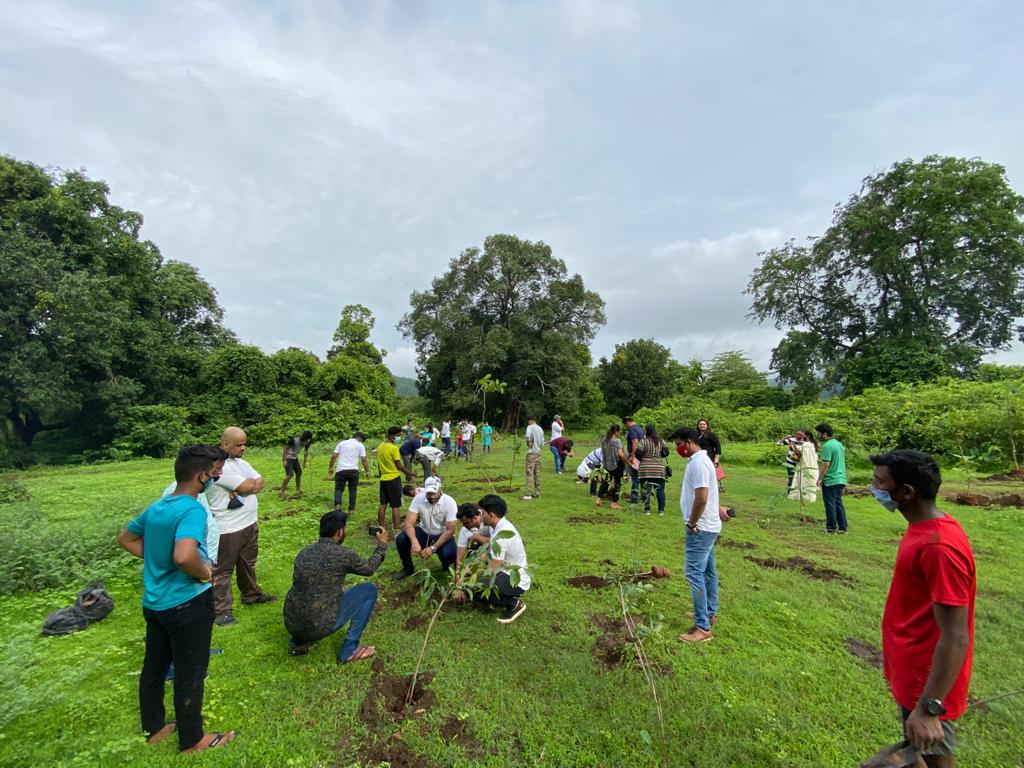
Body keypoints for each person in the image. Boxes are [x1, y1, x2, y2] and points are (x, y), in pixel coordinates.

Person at [117, 445, 235, 753]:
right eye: (215, 473)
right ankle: (192, 739)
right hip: (187, 604)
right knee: (190, 671)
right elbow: (184, 555)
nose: (217, 476)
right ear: (201, 476)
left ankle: (154, 727)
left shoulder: (159, 506)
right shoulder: (192, 509)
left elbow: (126, 538)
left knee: (154, 667)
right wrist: (204, 573)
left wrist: (159, 560)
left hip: (155, 604)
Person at [867, 450, 975, 768]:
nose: (873, 486)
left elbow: (956, 636)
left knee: (935, 754)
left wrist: (930, 708)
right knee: (918, 750)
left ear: (907, 492)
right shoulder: (921, 529)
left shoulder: (939, 548)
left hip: (928, 682)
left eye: (879, 481)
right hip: (913, 670)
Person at [283, 511, 389, 663]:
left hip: (292, 623)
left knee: (307, 591)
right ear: (339, 533)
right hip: (317, 625)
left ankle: (298, 643)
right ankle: (349, 650)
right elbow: (369, 569)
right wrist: (382, 545)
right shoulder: (342, 554)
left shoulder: (304, 552)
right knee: (368, 590)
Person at [205, 427, 277, 627]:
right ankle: (221, 611)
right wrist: (248, 487)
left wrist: (247, 487)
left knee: (248, 562)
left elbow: (259, 481)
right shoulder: (219, 466)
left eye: (244, 444)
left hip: (248, 522)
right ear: (225, 444)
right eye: (239, 445)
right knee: (223, 569)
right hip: (228, 527)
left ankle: (251, 594)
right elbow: (249, 486)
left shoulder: (240, 462)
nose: (243, 448)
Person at [670, 426, 720, 643]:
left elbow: (701, 498)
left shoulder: (699, 463)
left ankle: (703, 627)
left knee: (694, 573)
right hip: (708, 526)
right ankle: (709, 612)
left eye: (679, 445)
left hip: (700, 529)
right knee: (708, 571)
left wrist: (692, 523)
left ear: (688, 442)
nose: (678, 449)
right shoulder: (701, 460)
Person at [393, 477, 458, 580]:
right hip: (424, 532)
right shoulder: (419, 499)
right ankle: (408, 568)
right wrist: (414, 541)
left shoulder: (449, 502)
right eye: (428, 493)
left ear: (440, 489)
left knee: (449, 555)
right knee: (401, 539)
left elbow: (450, 531)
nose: (431, 496)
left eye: (434, 493)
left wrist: (433, 548)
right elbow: (408, 523)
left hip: (442, 535)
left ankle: (446, 565)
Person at [479, 494, 530, 623]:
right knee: (478, 585)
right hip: (506, 571)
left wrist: (474, 575)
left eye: (483, 513)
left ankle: (513, 603)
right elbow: (489, 553)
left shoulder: (501, 535)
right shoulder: (496, 527)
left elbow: (493, 566)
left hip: (515, 579)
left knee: (478, 587)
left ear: (491, 515)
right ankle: (499, 596)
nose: (480, 516)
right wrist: (473, 565)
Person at [451, 502, 494, 604]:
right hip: (481, 551)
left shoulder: (489, 522)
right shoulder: (465, 530)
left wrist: (477, 537)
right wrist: (458, 579)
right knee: (466, 560)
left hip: (495, 552)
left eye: (466, 523)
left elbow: (497, 542)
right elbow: (459, 558)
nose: (464, 526)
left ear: (475, 518)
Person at [377, 426, 418, 532]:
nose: (400, 437)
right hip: (393, 478)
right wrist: (411, 473)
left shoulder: (380, 446)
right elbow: (399, 466)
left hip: (383, 478)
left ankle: (381, 527)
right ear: (392, 436)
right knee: (395, 505)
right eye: (399, 435)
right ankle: (396, 528)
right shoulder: (394, 448)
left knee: (383, 504)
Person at [815, 423, 848, 533]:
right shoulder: (839, 444)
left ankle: (831, 528)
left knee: (830, 504)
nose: (817, 435)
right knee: (838, 503)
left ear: (824, 434)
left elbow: (825, 464)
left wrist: (819, 479)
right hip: (841, 479)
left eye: (818, 433)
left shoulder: (827, 446)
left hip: (830, 480)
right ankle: (843, 528)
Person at [326, 432, 370, 512]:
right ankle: (351, 508)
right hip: (353, 471)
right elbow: (364, 459)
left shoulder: (342, 443)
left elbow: (334, 456)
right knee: (352, 489)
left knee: (339, 489)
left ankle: (338, 504)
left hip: (341, 470)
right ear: (360, 438)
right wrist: (367, 471)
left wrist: (330, 467)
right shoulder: (360, 445)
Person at [634, 425, 668, 516]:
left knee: (646, 490)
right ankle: (661, 510)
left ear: (646, 431)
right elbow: (666, 453)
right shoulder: (661, 441)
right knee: (660, 490)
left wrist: (645, 459)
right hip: (659, 468)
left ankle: (647, 510)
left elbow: (638, 454)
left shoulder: (643, 441)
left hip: (645, 469)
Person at [595, 424, 626, 509]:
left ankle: (598, 499)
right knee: (617, 483)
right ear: (616, 431)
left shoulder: (604, 440)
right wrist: (627, 462)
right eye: (619, 431)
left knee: (605, 482)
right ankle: (614, 503)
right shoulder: (616, 441)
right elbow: (620, 454)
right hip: (617, 465)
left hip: (607, 464)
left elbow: (603, 452)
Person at [278, 430, 313, 500]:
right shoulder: (293, 439)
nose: (303, 440)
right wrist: (284, 460)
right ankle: (281, 491)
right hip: (288, 457)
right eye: (303, 438)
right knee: (290, 475)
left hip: (295, 457)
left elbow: (306, 451)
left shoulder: (308, 441)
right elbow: (285, 449)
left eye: (305, 439)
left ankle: (298, 490)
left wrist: (304, 462)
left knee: (299, 473)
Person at [787, 431, 819, 504]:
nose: (802, 437)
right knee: (810, 481)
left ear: (807, 436)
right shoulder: (814, 445)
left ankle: (801, 496)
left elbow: (798, 452)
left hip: (805, 465)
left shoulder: (806, 445)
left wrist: (792, 445)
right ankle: (809, 496)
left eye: (803, 435)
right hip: (813, 466)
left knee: (803, 481)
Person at [623, 417, 645, 503]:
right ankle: (644, 496)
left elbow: (635, 442)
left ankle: (634, 498)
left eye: (625, 425)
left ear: (628, 422)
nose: (626, 427)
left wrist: (632, 456)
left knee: (635, 477)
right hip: (642, 456)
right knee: (642, 477)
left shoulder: (632, 430)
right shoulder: (640, 429)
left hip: (636, 457)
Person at [522, 416, 544, 500]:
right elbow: (542, 443)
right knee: (537, 473)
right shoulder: (540, 429)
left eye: (528, 421)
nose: (528, 422)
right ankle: (538, 493)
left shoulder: (530, 427)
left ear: (532, 420)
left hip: (531, 453)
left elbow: (527, 436)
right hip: (538, 453)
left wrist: (529, 443)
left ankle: (528, 494)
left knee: (529, 473)